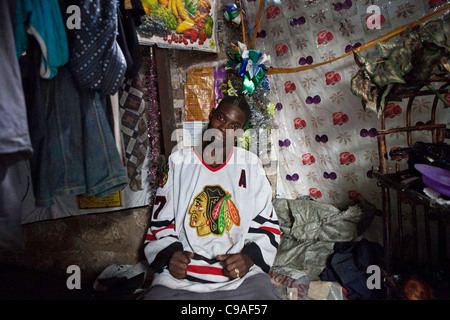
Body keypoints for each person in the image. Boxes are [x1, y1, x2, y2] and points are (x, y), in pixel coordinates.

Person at [143, 95, 281, 300]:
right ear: (211, 116)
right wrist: (171, 257)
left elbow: (268, 226)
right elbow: (160, 223)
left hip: (238, 280)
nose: (224, 128)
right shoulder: (178, 162)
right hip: (181, 279)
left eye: (234, 125)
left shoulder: (251, 165)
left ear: (240, 132)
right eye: (221, 118)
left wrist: (248, 259)